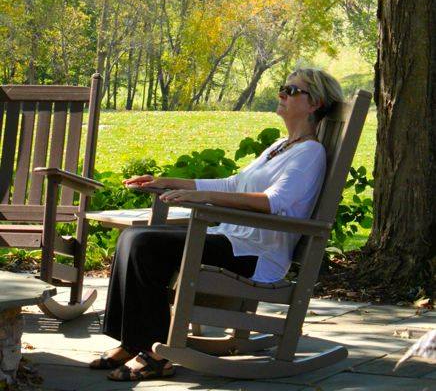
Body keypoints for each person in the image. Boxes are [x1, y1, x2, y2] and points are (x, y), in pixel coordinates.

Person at [90, 67, 343, 381]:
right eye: (283, 88)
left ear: (314, 103)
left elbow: (272, 202)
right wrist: (167, 181)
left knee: (145, 245)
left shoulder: (310, 153)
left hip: (255, 253)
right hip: (234, 239)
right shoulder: (280, 147)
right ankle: (133, 342)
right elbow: (234, 183)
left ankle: (156, 355)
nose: (281, 94)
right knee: (132, 236)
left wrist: (201, 198)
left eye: (291, 91)